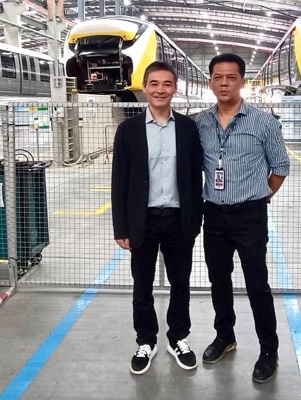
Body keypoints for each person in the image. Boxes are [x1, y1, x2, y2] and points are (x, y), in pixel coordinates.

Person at [195, 53, 290, 384]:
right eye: (218, 77)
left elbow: (280, 166)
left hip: (250, 215)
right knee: (219, 281)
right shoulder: (200, 123)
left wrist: (262, 197)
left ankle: (268, 351)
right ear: (210, 82)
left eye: (231, 77)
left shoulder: (263, 122)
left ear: (242, 82)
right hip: (213, 215)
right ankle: (225, 336)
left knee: (257, 285)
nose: (224, 83)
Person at [111, 61, 203, 375]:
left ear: (175, 88)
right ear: (145, 87)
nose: (160, 90)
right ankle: (146, 340)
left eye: (167, 84)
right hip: (143, 220)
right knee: (142, 285)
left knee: (181, 283)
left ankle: (178, 338)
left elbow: (195, 177)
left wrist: (194, 220)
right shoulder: (128, 130)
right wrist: (121, 227)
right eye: (154, 83)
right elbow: (120, 181)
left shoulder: (188, 128)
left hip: (179, 220)